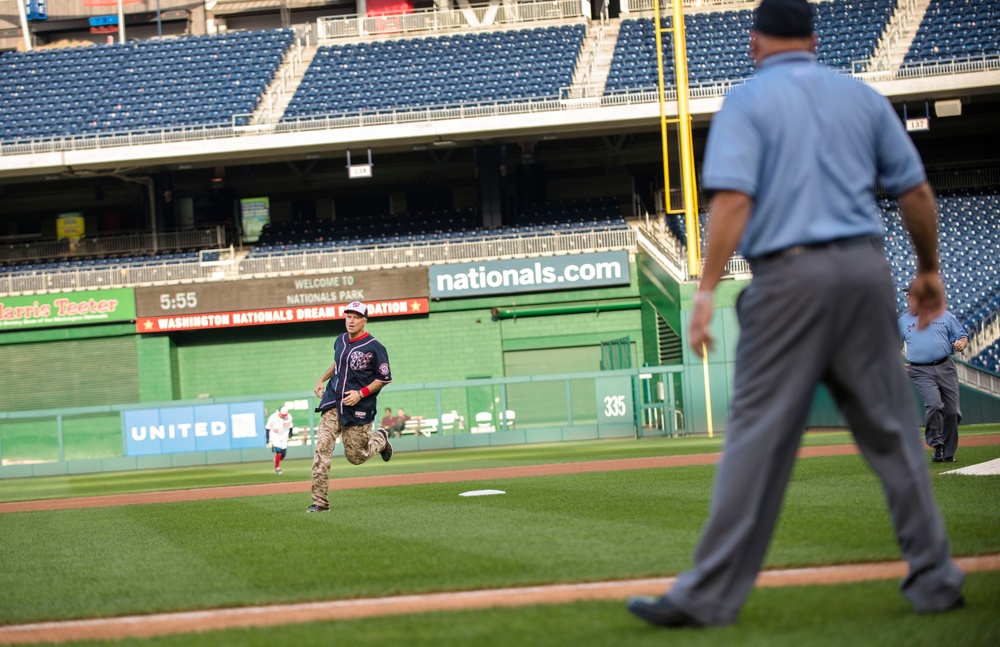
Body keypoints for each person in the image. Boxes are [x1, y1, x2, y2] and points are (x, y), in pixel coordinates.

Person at [627, 0, 965, 628]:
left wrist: (703, 295)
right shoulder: (860, 96)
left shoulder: (747, 102)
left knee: (757, 440)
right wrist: (929, 271)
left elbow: (732, 201)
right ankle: (937, 579)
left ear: (756, 43)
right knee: (895, 435)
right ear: (813, 40)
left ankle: (707, 597)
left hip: (788, 278)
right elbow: (915, 191)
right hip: (865, 271)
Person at [308, 301, 393, 512]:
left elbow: (384, 377)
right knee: (322, 449)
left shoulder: (374, 347)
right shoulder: (340, 340)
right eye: (348, 316)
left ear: (365, 320)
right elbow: (339, 363)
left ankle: (380, 439)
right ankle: (320, 501)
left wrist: (360, 393)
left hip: (358, 406)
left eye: (356, 317)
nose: (351, 320)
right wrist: (322, 378)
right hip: (333, 402)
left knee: (356, 457)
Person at [899, 286, 968, 463]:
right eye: (907, 295)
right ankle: (937, 445)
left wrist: (961, 343)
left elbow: (961, 336)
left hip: (945, 367)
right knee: (935, 405)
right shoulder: (903, 321)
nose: (908, 298)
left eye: (911, 295)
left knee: (953, 412)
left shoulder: (945, 316)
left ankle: (949, 452)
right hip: (920, 370)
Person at [265, 406, 294, 474]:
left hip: (284, 436)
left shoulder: (289, 417)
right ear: (279, 412)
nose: (283, 416)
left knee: (283, 454)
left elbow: (291, 426)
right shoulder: (273, 417)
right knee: (278, 451)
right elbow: (267, 428)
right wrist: (267, 439)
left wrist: (290, 433)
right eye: (282, 414)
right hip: (275, 435)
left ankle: (276, 460)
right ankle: (277, 468)